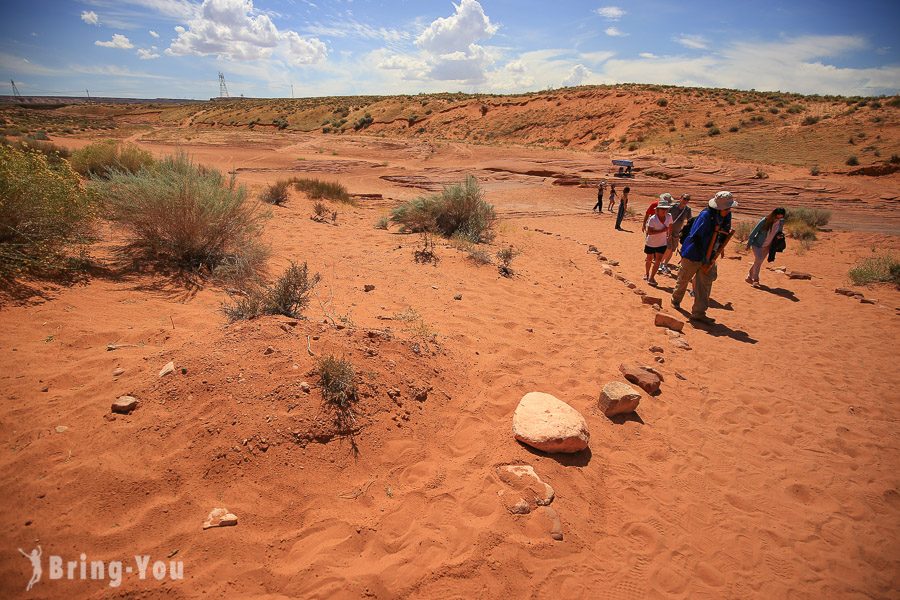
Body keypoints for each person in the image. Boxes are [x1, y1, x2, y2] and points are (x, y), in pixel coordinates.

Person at [671, 191, 736, 324]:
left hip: (710, 256)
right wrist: (704, 257)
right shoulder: (705, 215)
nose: (729, 210)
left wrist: (715, 252)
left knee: (704, 284)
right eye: (727, 208)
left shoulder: (727, 215)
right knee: (684, 279)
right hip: (693, 254)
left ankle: (699, 313)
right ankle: (675, 299)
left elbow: (724, 233)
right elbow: (696, 236)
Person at [746, 207, 786, 286]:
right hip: (757, 244)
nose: (779, 219)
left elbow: (779, 232)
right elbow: (754, 232)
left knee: (758, 262)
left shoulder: (781, 222)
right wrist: (749, 243)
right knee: (759, 259)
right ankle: (756, 280)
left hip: (768, 246)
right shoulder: (765, 221)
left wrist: (780, 236)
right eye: (778, 217)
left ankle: (749, 277)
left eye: (781, 217)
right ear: (774, 215)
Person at [660, 193, 692, 275]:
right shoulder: (672, 207)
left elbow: (690, 220)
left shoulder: (687, 210)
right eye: (684, 198)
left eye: (687, 199)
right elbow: (665, 216)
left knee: (672, 249)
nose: (686, 201)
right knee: (668, 248)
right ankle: (660, 264)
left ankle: (664, 264)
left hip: (677, 232)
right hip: (668, 230)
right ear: (680, 198)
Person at [644, 198, 673, 285]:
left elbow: (670, 225)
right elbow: (649, 232)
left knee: (658, 260)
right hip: (651, 243)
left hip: (662, 243)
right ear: (658, 210)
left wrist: (669, 234)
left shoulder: (669, 216)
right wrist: (663, 230)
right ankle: (647, 273)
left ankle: (652, 277)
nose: (664, 211)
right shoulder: (653, 219)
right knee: (649, 259)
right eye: (662, 209)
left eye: (666, 209)